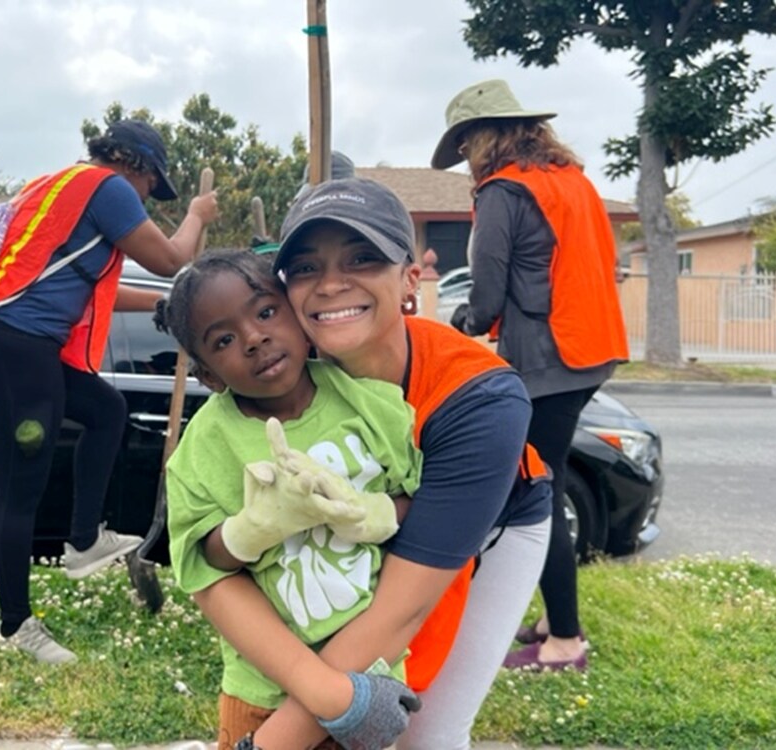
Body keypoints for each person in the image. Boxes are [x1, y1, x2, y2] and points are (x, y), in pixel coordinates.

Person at [189, 178, 553, 750]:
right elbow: (208, 569)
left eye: (363, 258)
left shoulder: (480, 397)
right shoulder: (270, 366)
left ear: (410, 279)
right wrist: (316, 701)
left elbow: (400, 613)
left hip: (487, 524)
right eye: (307, 268)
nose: (332, 284)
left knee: (423, 729)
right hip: (355, 524)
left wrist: (269, 744)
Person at [0, 119, 219, 664]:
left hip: (17, 346)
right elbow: (173, 259)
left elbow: (86, 285)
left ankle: (83, 539)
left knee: (105, 409)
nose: (148, 197)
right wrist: (195, 216)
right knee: (17, 489)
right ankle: (14, 627)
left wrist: (158, 308)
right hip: (14, 348)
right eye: (153, 185)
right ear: (137, 167)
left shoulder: (59, 186)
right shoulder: (109, 189)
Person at [155, 249, 422, 750]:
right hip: (261, 692)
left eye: (265, 312)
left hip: (373, 676)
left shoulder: (367, 403)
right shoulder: (205, 445)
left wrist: (367, 513)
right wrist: (253, 528)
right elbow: (201, 561)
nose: (254, 338)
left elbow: (413, 498)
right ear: (209, 375)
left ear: (298, 317)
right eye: (225, 340)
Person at [433, 79, 630, 672]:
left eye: (467, 141)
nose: (467, 156)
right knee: (546, 479)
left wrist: (458, 322)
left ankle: (565, 641)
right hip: (593, 349)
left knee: (534, 494)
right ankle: (553, 616)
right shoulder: (572, 181)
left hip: (548, 361)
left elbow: (487, 296)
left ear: (486, 135)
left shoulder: (504, 191)